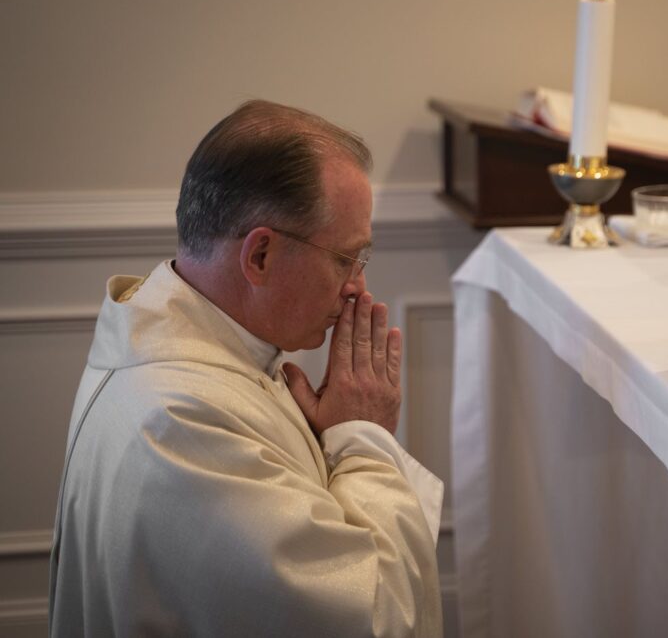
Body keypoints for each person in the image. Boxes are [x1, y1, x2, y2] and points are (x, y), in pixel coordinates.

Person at [48, 100, 443, 637]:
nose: (357, 287)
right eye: (346, 259)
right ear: (260, 255)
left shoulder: (187, 344)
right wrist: (363, 437)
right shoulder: (182, 424)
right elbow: (372, 614)